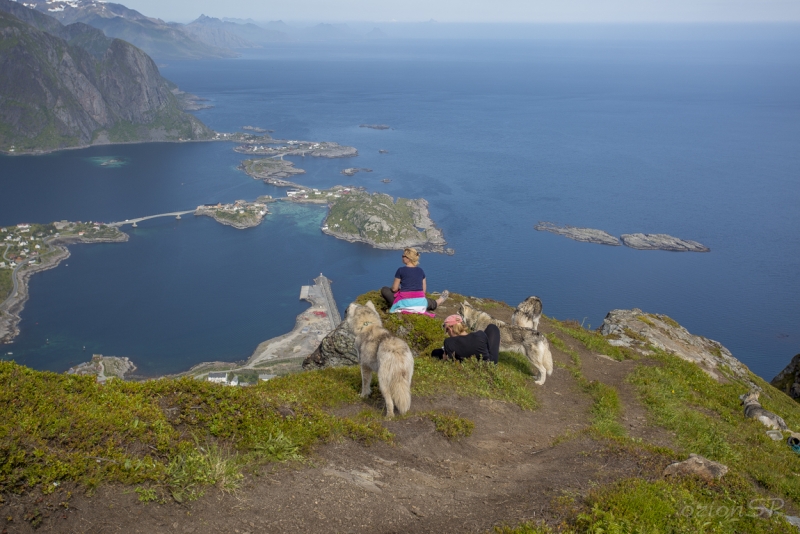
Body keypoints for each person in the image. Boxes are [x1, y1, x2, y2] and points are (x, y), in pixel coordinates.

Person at [381, 247, 448, 314]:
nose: (402, 257)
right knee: (426, 301)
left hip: (404, 304)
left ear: (408, 258)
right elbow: (423, 292)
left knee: (384, 290)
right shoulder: (421, 271)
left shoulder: (400, 270)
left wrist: (399, 290)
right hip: (420, 305)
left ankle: (396, 306)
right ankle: (440, 300)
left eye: (403, 256)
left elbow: (394, 289)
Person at [431, 314, 500, 364]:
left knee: (436, 352)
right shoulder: (480, 335)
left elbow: (449, 359)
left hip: (467, 364)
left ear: (450, 329)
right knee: (492, 327)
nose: (448, 333)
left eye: (447, 331)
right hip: (489, 363)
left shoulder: (449, 342)